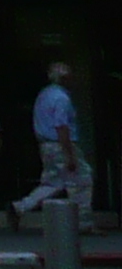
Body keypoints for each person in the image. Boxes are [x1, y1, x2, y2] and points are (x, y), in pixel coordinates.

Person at [14, 60, 92, 229]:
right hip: (61, 144)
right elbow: (62, 127)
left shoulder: (44, 95)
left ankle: (21, 206)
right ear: (64, 78)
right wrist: (69, 154)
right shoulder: (61, 98)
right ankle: (82, 222)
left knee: (53, 182)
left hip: (46, 144)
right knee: (81, 180)